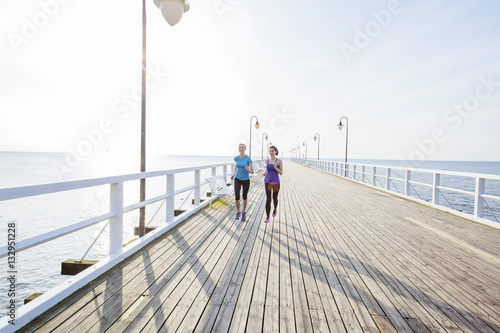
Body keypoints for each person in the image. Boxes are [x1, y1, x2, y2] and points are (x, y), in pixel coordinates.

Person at [231, 143, 254, 221]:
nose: (241, 149)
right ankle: (238, 212)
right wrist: (234, 174)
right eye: (240, 148)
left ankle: (244, 211)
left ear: (245, 149)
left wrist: (248, 170)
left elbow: (253, 171)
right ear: (238, 149)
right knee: (237, 196)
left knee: (244, 196)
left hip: (246, 180)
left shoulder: (248, 159)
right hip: (237, 179)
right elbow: (236, 166)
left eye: (242, 148)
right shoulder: (236, 158)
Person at [262, 145, 283, 223]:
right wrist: (265, 173)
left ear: (276, 152)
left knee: (274, 198)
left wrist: (275, 167)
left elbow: (281, 173)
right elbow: (267, 170)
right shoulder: (267, 160)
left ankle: (275, 209)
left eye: (272, 151)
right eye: (270, 151)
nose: (271, 152)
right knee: (268, 199)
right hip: (267, 181)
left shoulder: (279, 161)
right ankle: (267, 217)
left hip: (276, 182)